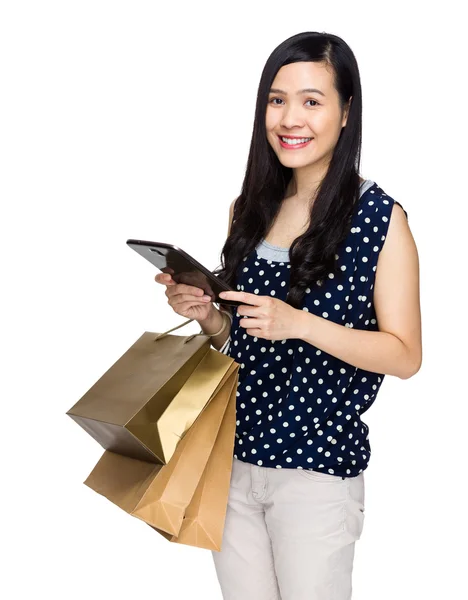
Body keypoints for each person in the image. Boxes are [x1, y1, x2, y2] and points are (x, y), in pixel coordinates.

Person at [154, 31, 422, 600]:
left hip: (317, 472)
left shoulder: (379, 219)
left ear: (346, 112)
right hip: (232, 458)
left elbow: (405, 355)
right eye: (277, 100)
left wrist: (301, 324)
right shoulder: (249, 209)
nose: (289, 118)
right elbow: (244, 340)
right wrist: (207, 315)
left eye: (311, 101)